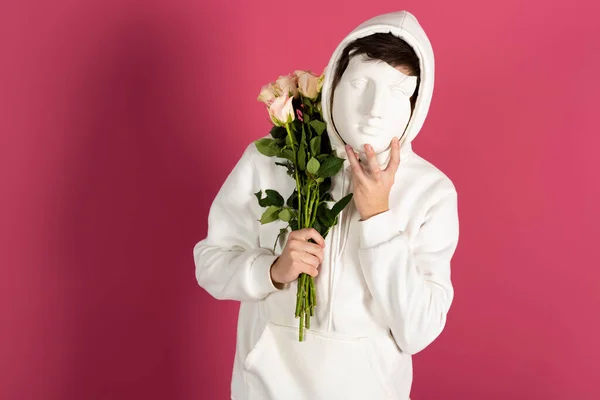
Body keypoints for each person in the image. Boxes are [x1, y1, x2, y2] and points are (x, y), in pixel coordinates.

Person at [193, 10, 459, 400]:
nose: (374, 108)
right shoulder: (270, 160)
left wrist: (378, 218)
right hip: (266, 390)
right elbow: (210, 262)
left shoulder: (431, 192)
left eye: (398, 92)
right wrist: (272, 271)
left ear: (417, 103)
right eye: (360, 83)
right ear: (334, 83)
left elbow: (418, 330)